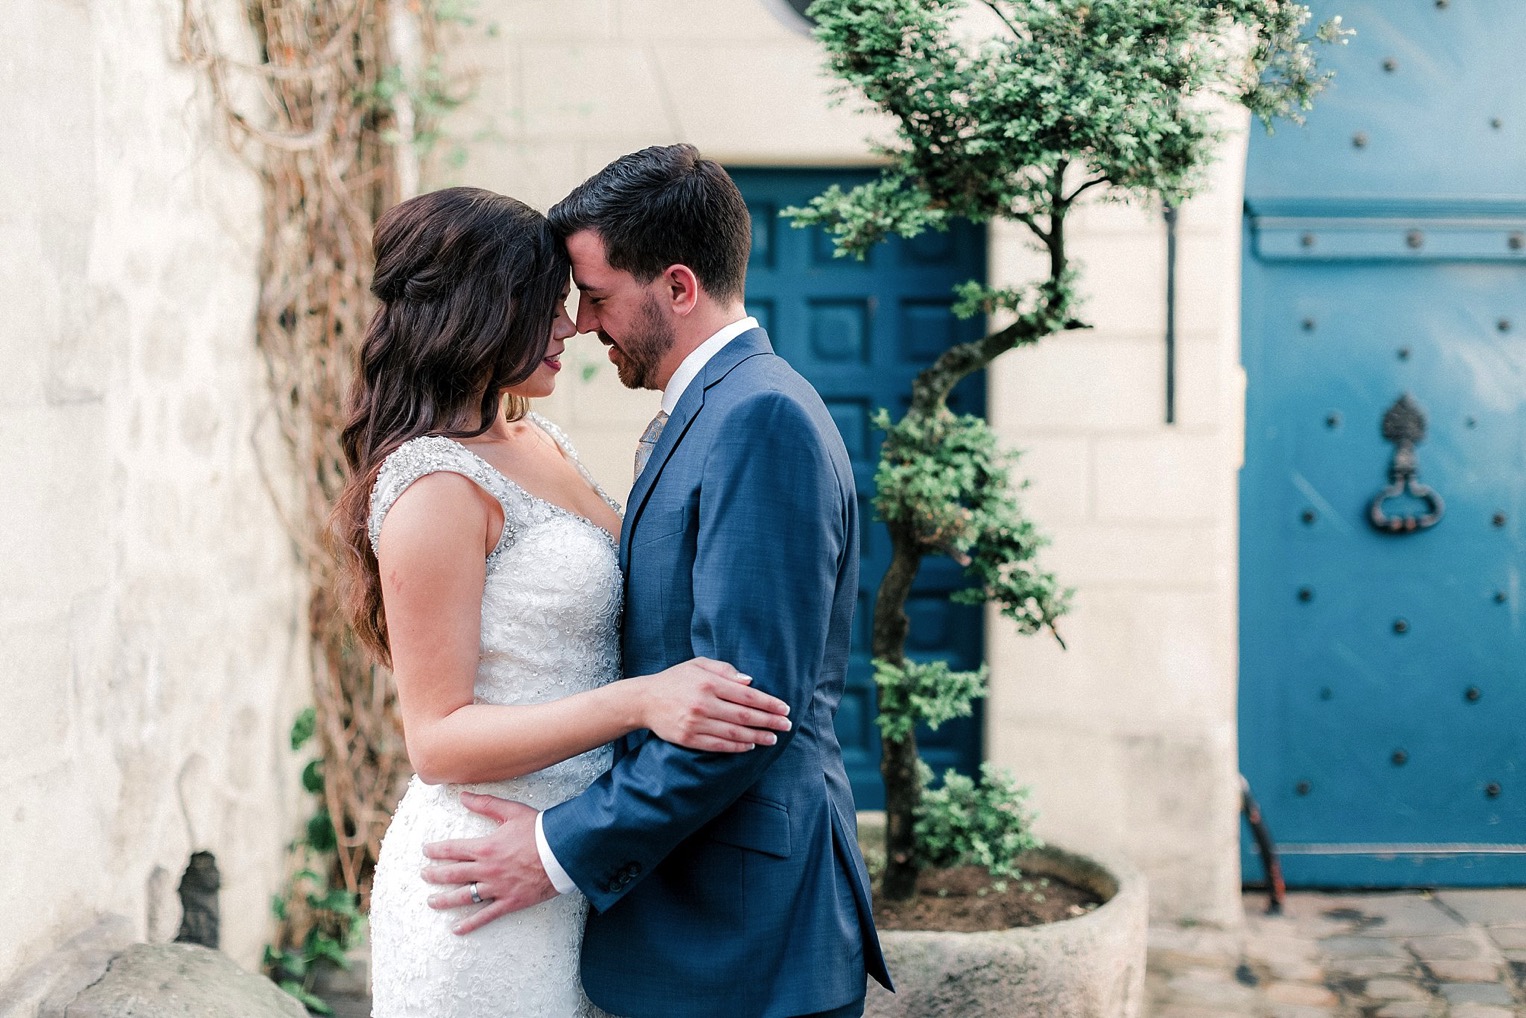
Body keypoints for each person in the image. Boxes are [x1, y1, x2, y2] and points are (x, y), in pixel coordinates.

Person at [419, 146, 893, 1018]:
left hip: (743, 938)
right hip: (685, 917)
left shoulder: (760, 417)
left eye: (596, 296)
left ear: (678, 287)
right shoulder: (712, 408)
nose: (585, 324)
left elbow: (742, 709)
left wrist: (557, 848)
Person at [333, 186, 794, 1018]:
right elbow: (436, 740)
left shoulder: (538, 440)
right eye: (545, 306)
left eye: (574, 301)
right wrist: (642, 701)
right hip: (484, 877)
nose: (571, 326)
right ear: (475, 312)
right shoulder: (435, 483)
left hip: (577, 866)